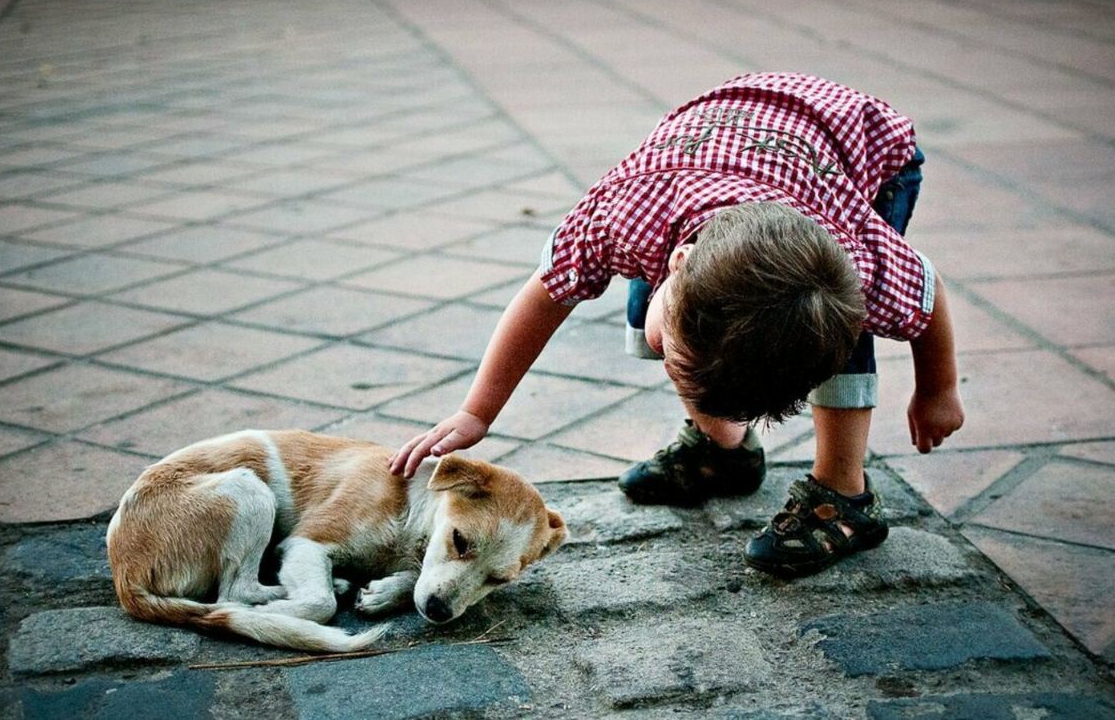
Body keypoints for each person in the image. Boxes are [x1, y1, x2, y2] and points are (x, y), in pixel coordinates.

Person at [390, 72, 964, 577]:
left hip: (869, 156)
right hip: (727, 143)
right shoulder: (619, 217)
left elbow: (926, 289)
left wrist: (938, 390)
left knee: (832, 328)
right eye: (676, 364)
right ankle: (724, 453)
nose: (673, 371)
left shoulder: (858, 259)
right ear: (678, 262)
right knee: (650, 315)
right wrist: (477, 411)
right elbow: (545, 296)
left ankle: (845, 494)